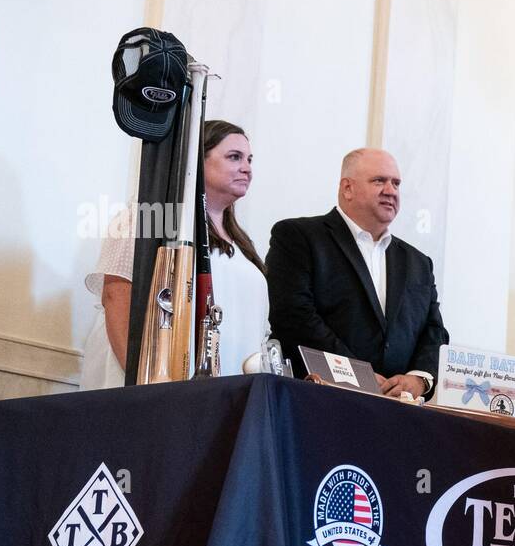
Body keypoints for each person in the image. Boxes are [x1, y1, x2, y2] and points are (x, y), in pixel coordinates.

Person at [81, 120, 268, 388]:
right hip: (156, 386)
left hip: (227, 389)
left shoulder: (242, 245)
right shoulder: (151, 218)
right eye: (234, 157)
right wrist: (141, 386)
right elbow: (117, 295)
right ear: (197, 161)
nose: (247, 168)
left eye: (249, 159)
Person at [265, 148, 448, 398]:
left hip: (396, 415)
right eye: (379, 181)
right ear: (347, 188)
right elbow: (294, 316)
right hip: (316, 403)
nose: (391, 190)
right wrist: (355, 374)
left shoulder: (418, 262)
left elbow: (434, 331)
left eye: (396, 183)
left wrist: (419, 379)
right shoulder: (298, 236)